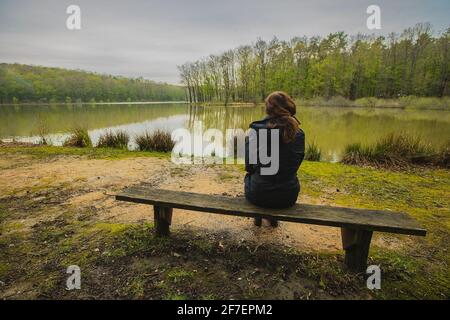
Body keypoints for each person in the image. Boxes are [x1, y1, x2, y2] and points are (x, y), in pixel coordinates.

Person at [244, 91, 305, 227]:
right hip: (288, 196)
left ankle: (258, 218)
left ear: (268, 109)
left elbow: (249, 166)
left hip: (258, 195)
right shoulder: (299, 134)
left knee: (252, 175)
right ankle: (273, 219)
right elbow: (295, 164)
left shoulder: (256, 130)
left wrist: (249, 139)